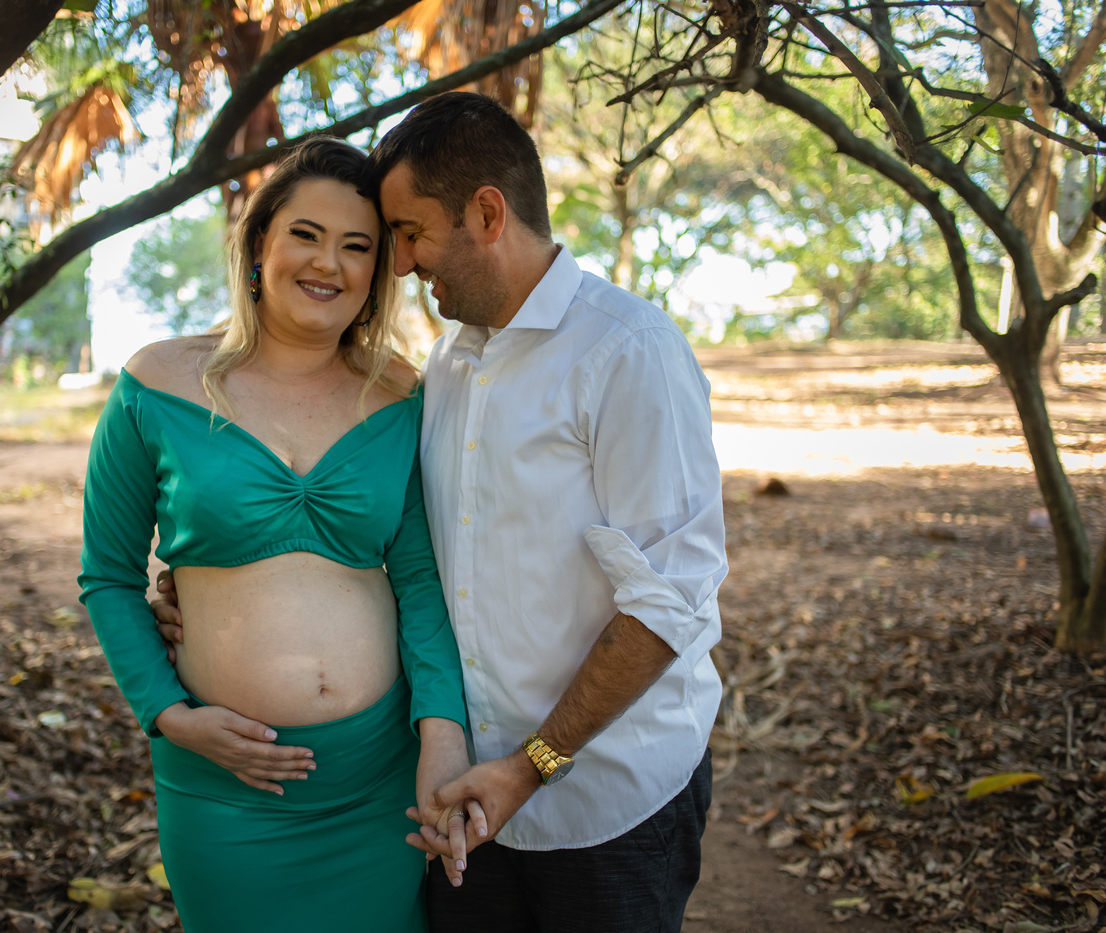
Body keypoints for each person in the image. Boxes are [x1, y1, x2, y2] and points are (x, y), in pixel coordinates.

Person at [157, 92, 726, 931]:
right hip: (461, 795)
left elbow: (670, 598)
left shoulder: (627, 352)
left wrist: (531, 765)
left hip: (610, 798)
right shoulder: (448, 363)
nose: (398, 265)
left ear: (487, 214)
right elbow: (398, 548)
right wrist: (214, 590)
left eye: (410, 232)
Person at [78, 137, 476, 933]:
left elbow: (420, 580)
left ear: (377, 271)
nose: (328, 262)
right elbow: (109, 575)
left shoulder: (402, 395)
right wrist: (169, 713)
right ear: (260, 243)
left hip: (379, 779)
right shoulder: (156, 384)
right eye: (306, 234)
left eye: (357, 245)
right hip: (227, 786)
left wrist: (443, 733)